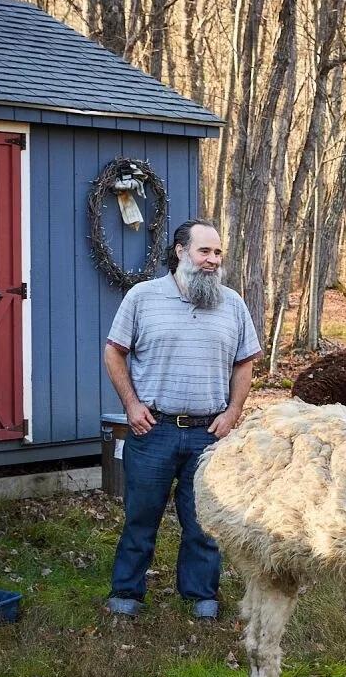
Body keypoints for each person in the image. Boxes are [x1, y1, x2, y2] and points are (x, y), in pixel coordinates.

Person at [102, 218, 262, 619]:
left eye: (218, 252)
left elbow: (245, 362)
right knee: (141, 518)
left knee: (203, 522)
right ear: (180, 252)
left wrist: (233, 412)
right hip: (152, 430)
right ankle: (127, 592)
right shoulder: (143, 297)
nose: (213, 259)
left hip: (208, 434)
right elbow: (113, 351)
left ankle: (200, 594)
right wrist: (131, 405)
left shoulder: (232, 304)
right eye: (204, 250)